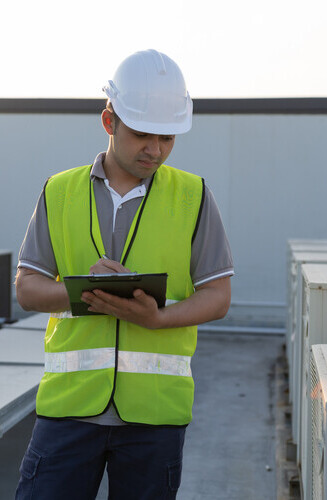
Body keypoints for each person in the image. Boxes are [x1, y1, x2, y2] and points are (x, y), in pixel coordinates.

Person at [14, 49, 233, 499]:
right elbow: (27, 288)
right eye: (142, 135)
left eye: (168, 138)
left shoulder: (194, 196)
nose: (155, 150)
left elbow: (218, 295)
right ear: (109, 121)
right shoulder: (59, 191)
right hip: (68, 411)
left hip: (155, 419)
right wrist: (85, 292)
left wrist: (157, 319)